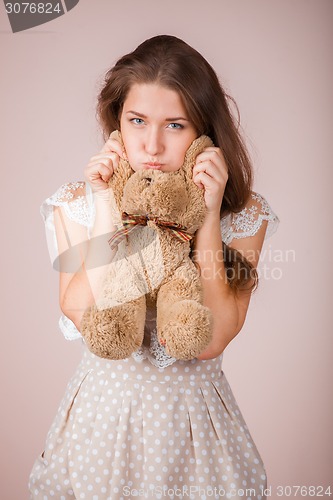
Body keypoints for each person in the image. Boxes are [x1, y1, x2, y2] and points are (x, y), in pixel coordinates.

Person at [28, 35, 280, 499]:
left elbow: (213, 338)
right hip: (101, 425)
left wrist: (206, 215)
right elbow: (82, 312)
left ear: (205, 134)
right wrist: (105, 205)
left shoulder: (243, 216)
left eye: (176, 125)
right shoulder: (76, 205)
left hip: (194, 429)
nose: (152, 145)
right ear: (116, 124)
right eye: (137, 121)